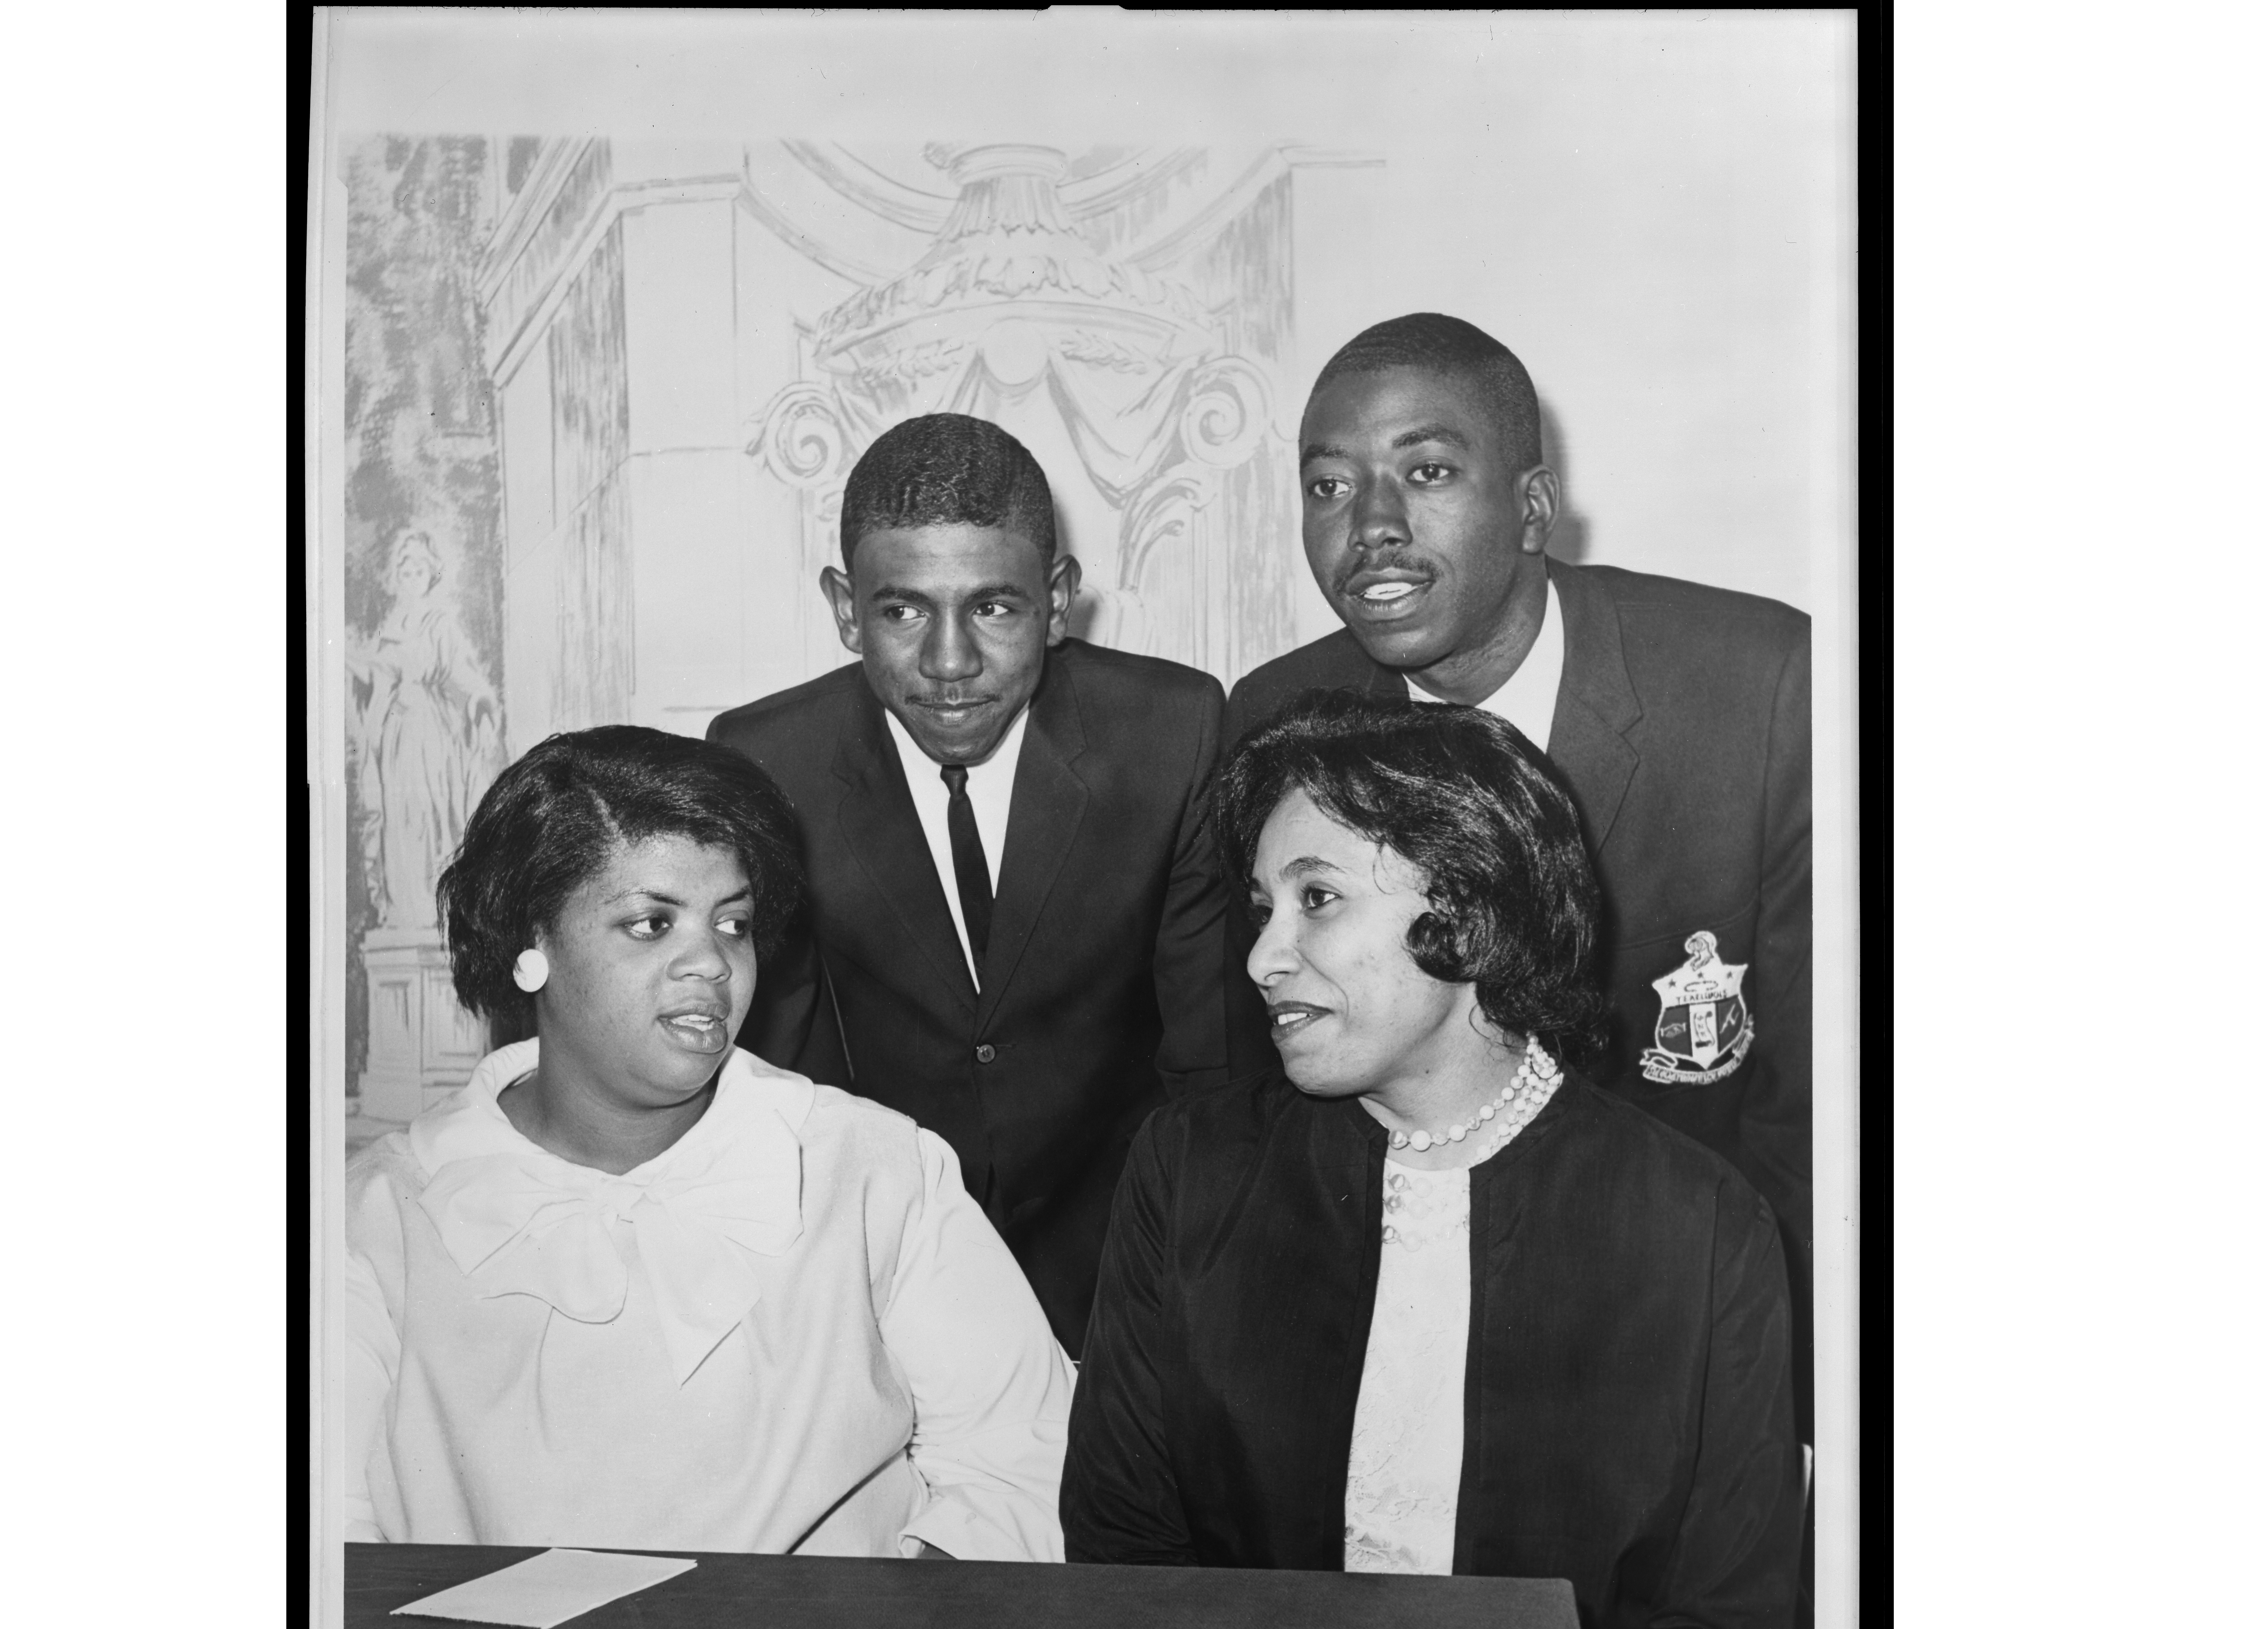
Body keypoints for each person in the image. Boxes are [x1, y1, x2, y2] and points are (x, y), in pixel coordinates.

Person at [1060, 697, 1801, 1629]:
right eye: (1264, 908)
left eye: (1318, 899)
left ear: (1467, 909)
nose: (1263, 957)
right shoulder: (1191, 1170)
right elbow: (1125, 1551)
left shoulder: (1698, 1225)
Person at [1224, 314, 1815, 1444]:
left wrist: (1776, 1408)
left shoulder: (1760, 689)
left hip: (1693, 1321)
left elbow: (1822, 1114)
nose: (1373, 528)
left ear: (1536, 507)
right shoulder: (1278, 719)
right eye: (1331, 486)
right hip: (1398, 1319)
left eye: (1428, 473)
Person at [336, 726, 1073, 1560]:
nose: (714, 964)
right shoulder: (375, 1215)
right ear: (529, 945)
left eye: (733, 924)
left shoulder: (874, 1169)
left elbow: (1021, 1462)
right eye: (651, 924)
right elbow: (322, 1543)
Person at [711, 413, 1236, 1358]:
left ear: (1061, 598)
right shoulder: (766, 762)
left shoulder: (1172, 731)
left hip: (1132, 1273)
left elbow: (1206, 1064)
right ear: (843, 607)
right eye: (903, 610)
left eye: (994, 607)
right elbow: (778, 1073)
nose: (950, 664)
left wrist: (1173, 1307)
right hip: (876, 1280)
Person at [354, 527, 503, 933]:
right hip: (395, 738)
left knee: (430, 815)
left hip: (431, 737)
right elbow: (375, 675)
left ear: (432, 576)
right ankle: (404, 907)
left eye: (421, 569)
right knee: (398, 819)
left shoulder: (440, 625)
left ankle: (432, 906)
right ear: (396, 576)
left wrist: (482, 709)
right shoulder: (388, 629)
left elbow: (462, 675)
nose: (413, 576)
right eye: (406, 569)